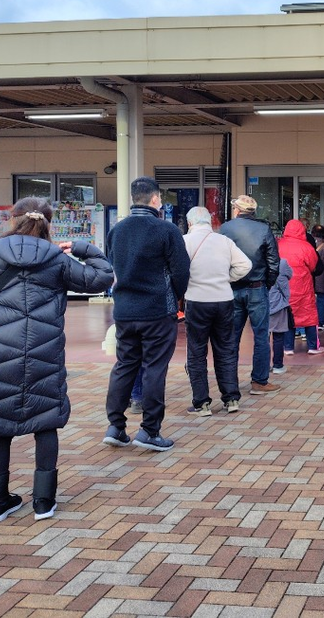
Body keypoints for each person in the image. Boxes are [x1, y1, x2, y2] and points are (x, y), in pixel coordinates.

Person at [0, 197, 114, 522]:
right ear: (47, 222)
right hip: (45, 350)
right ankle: (44, 501)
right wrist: (83, 248)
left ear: (13, 220)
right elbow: (102, 278)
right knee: (45, 420)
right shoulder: (57, 259)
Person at [103, 177, 190, 452]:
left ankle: (115, 426)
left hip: (125, 310)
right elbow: (181, 272)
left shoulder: (117, 231)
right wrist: (175, 296)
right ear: (155, 200)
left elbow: (111, 264)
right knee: (154, 368)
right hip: (157, 310)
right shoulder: (167, 230)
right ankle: (150, 430)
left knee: (124, 365)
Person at [182, 206, 252, 416]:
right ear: (210, 222)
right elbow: (245, 265)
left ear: (190, 223)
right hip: (224, 300)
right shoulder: (224, 241)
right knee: (226, 350)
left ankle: (202, 403)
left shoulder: (184, 241)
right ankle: (231, 399)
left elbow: (175, 270)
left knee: (196, 352)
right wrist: (226, 278)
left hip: (196, 301)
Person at [219, 194, 282, 395]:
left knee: (231, 338)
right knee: (261, 336)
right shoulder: (264, 229)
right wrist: (266, 284)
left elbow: (219, 259)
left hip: (232, 288)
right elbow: (274, 262)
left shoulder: (225, 229)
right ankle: (259, 381)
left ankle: (230, 383)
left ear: (237, 210)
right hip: (257, 287)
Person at [277, 219, 324, 354]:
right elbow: (314, 266)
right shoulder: (306, 247)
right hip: (303, 286)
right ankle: (313, 347)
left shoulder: (279, 245)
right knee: (309, 315)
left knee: (288, 315)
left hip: (284, 286)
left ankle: (288, 347)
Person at [268, 258, 294, 374]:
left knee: (262, 338)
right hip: (277, 303)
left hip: (260, 304)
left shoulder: (257, 261)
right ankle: (278, 366)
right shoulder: (282, 263)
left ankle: (263, 367)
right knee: (278, 336)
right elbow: (289, 274)